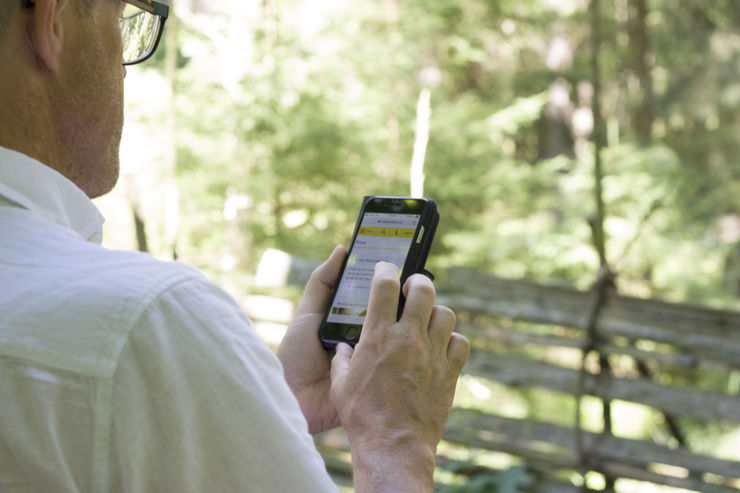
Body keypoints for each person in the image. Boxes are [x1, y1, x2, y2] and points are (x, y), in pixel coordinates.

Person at [0, 0, 470, 491]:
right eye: (122, 17)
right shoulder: (146, 322)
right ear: (50, 20)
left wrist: (263, 401)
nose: (124, 68)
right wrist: (397, 444)